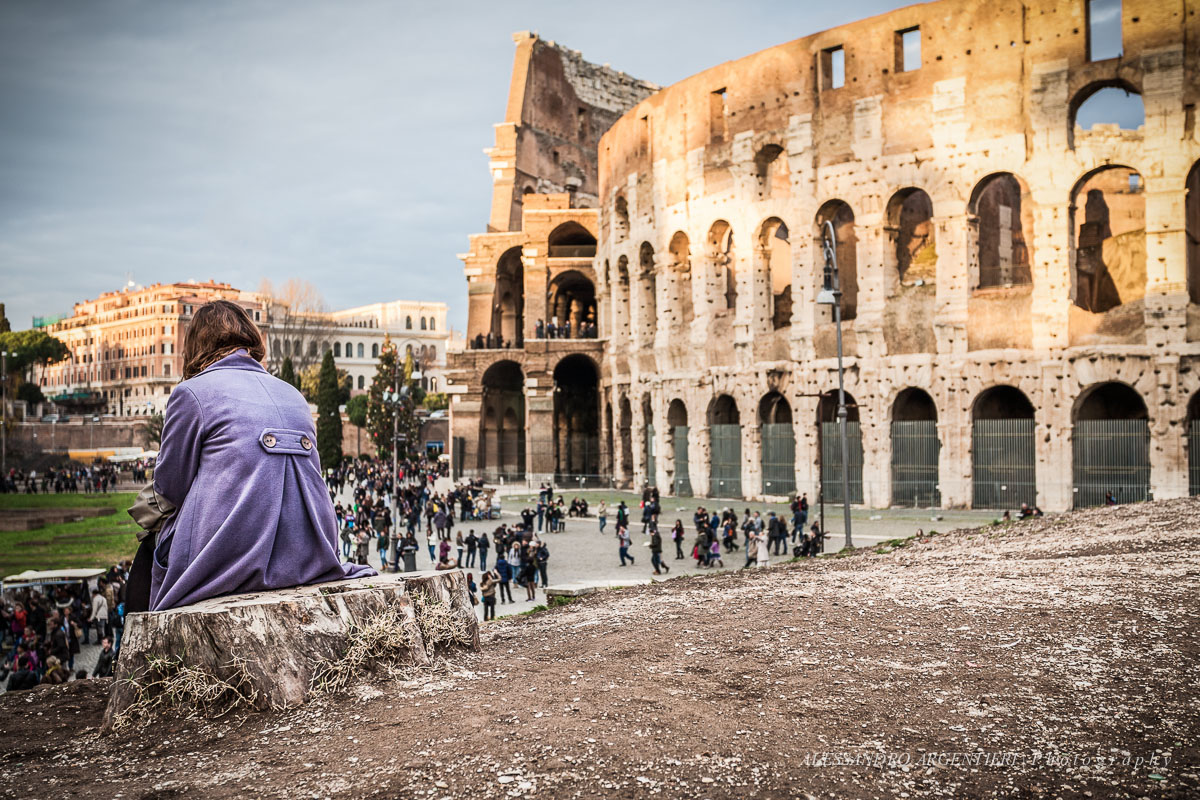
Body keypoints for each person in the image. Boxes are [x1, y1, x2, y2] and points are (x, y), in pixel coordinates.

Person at [126, 300, 374, 612]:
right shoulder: (293, 394)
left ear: (195, 345)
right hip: (309, 553)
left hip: (228, 557)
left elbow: (170, 487)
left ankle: (142, 632)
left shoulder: (191, 393)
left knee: (150, 544)